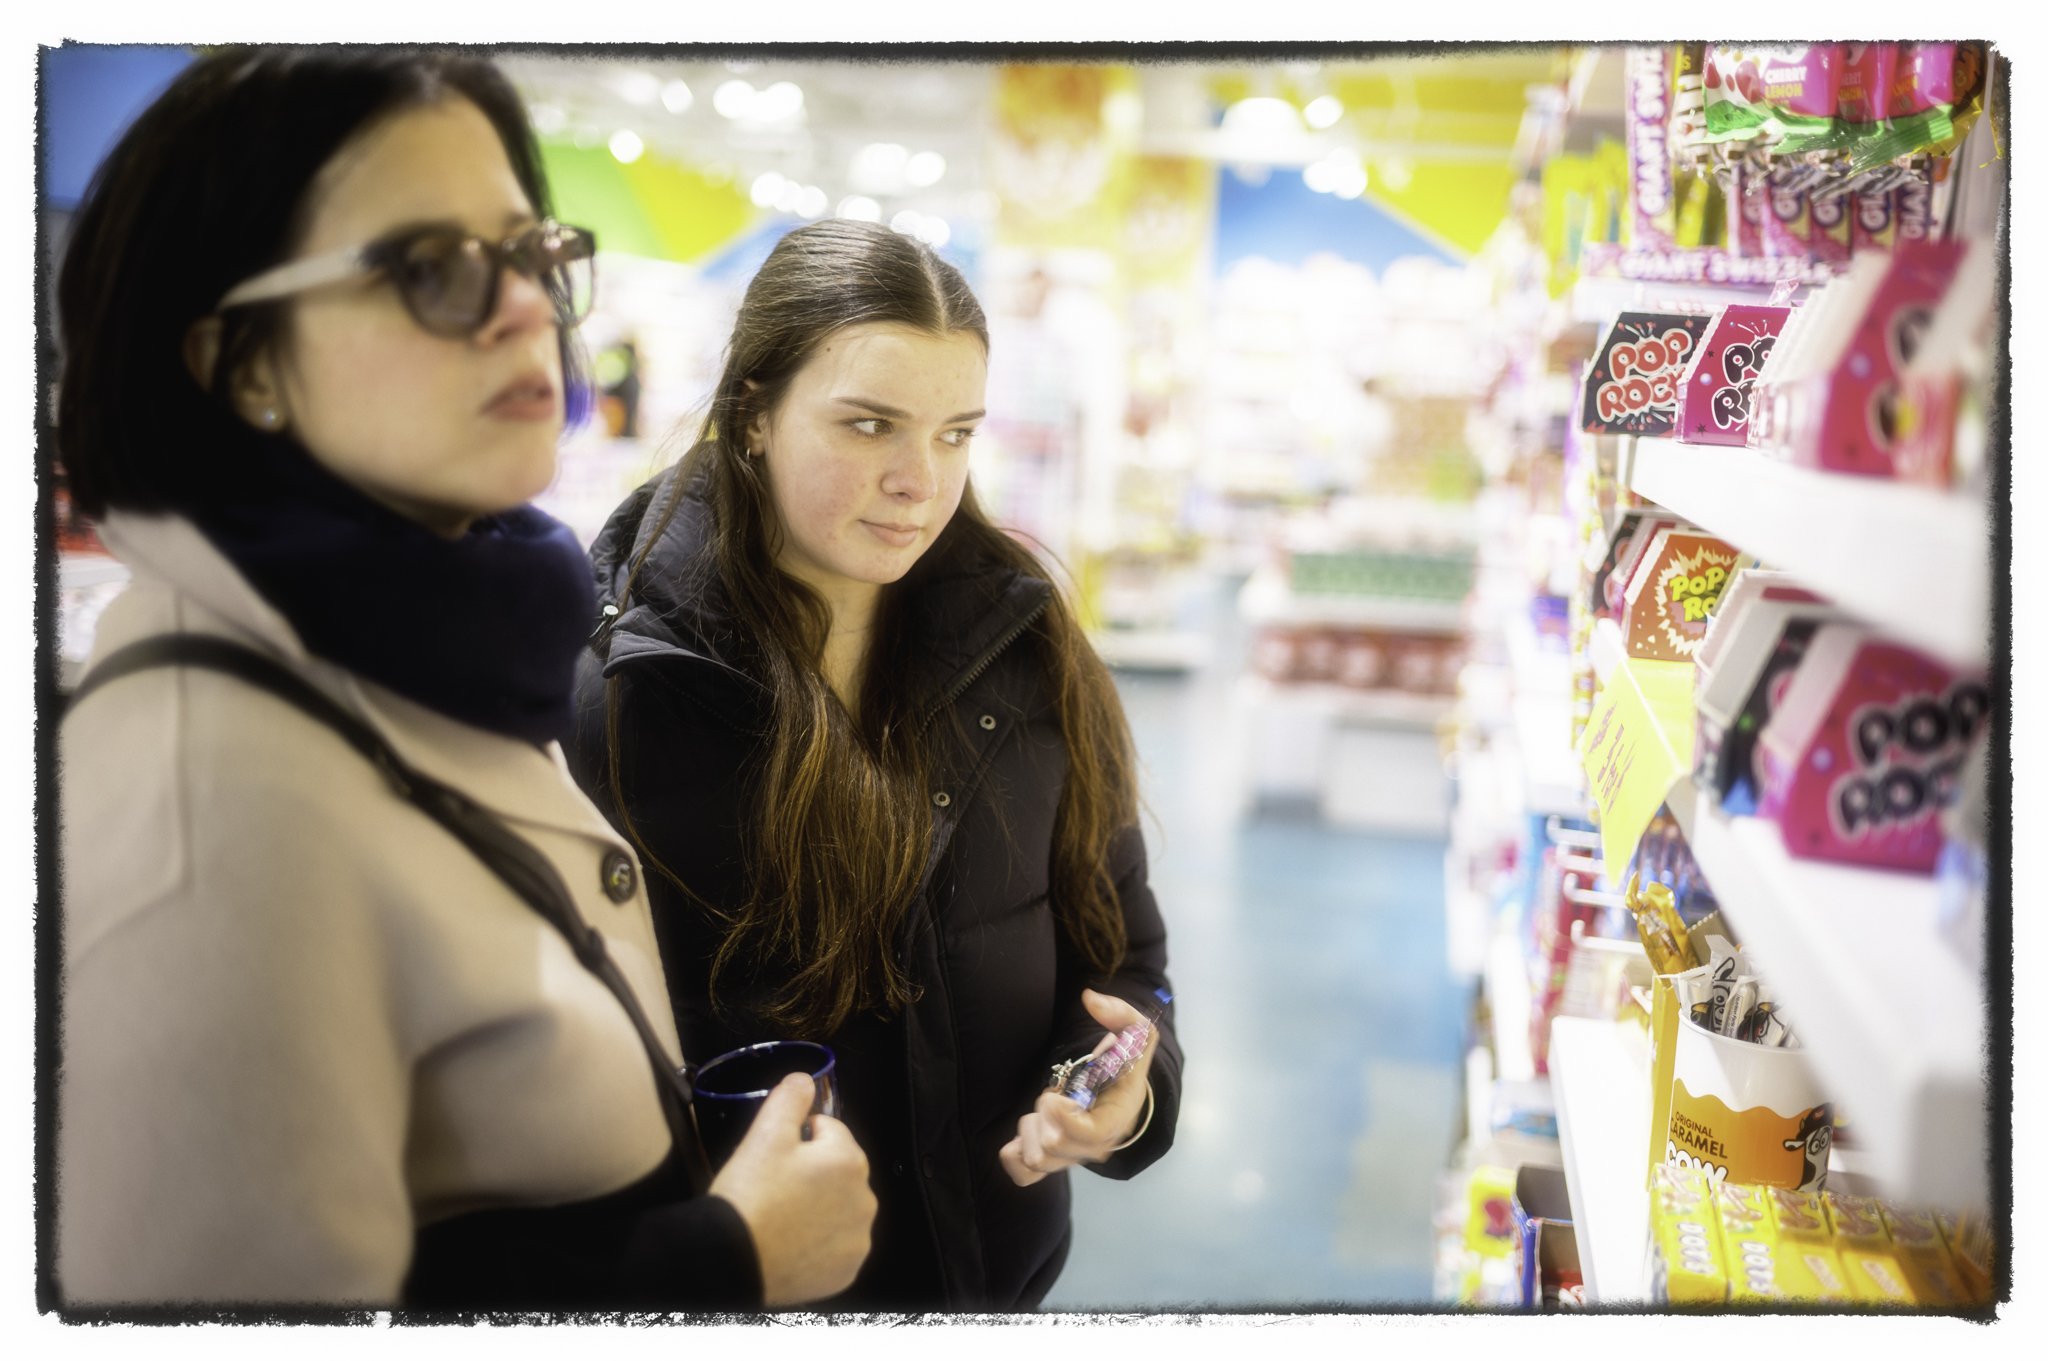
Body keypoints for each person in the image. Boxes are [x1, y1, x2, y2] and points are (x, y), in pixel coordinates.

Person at [52, 47, 874, 1310]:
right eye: (432, 268)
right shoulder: (210, 806)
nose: (527, 309)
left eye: (532, 255)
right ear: (241, 362)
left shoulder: (430, 647)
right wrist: (726, 1261)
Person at [566, 218, 1181, 1311]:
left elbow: (1123, 954)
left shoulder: (1027, 649)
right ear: (751, 413)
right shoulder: (619, 696)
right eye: (868, 425)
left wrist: (1121, 1090)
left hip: (993, 1283)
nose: (919, 480)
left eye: (956, 434)